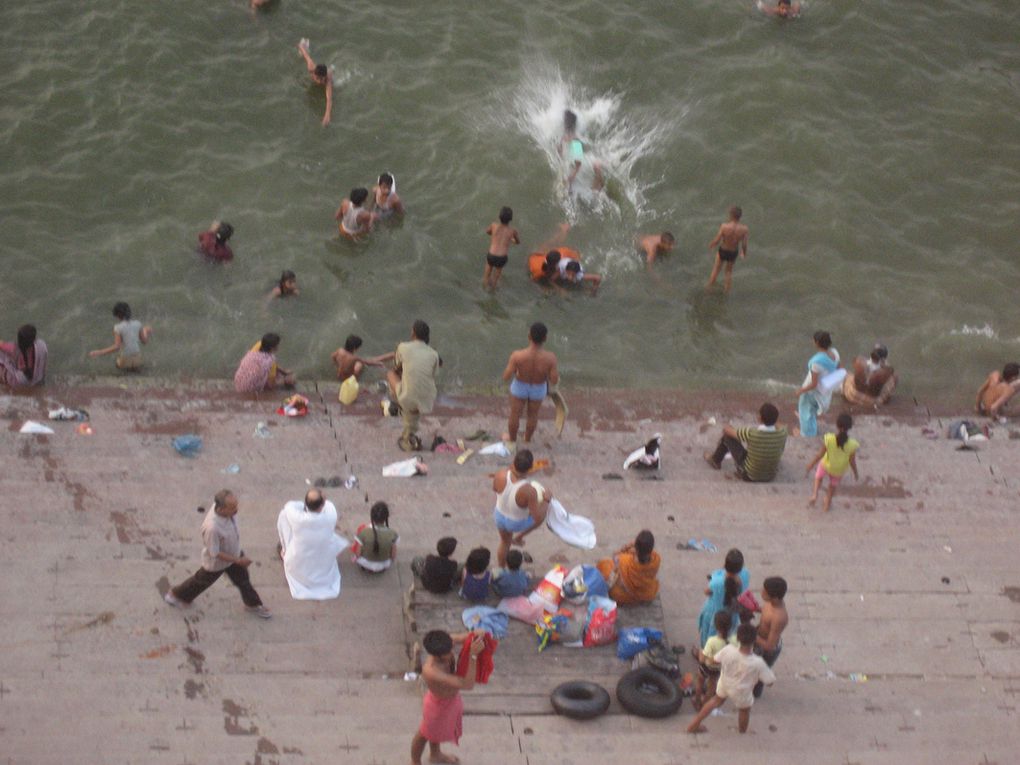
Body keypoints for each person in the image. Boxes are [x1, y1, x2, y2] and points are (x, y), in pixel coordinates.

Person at [163, 490, 271, 618]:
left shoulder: (228, 514)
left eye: (236, 506)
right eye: (232, 508)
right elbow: (214, 552)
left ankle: (253, 604)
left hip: (234, 554)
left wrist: (237, 559)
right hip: (218, 563)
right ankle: (176, 595)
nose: (236, 510)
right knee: (201, 581)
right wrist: (238, 560)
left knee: (243, 581)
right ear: (220, 509)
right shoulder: (212, 528)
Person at [410, 629, 486, 765]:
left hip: (451, 700)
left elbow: (465, 637)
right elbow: (467, 684)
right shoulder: (431, 671)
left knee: (435, 733)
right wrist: (473, 656)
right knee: (423, 735)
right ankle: (414, 762)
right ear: (437, 656)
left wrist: (477, 634)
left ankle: (435, 754)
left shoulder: (446, 643)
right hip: (437, 706)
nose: (452, 653)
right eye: (448, 653)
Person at [686, 623, 775, 734]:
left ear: (737, 638)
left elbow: (715, 660)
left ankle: (693, 725)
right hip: (742, 691)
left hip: (724, 683)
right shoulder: (758, 662)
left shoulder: (728, 649)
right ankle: (742, 732)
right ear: (754, 641)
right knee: (744, 710)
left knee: (715, 701)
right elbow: (770, 682)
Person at [276, 489, 345, 600]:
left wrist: (305, 505)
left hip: (301, 552)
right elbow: (328, 504)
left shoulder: (297, 518)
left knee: (283, 516)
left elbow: (289, 506)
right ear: (322, 505)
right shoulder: (330, 515)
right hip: (323, 550)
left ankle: (284, 549)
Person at [386, 320, 441, 451]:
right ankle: (408, 408)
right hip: (428, 400)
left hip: (408, 397)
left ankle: (408, 440)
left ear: (413, 333)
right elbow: (433, 375)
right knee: (415, 387)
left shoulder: (403, 347)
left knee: (390, 374)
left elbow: (396, 366)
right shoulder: (434, 354)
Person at [491, 449, 552, 567]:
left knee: (504, 542)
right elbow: (537, 516)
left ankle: (500, 568)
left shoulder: (500, 474)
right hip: (516, 523)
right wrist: (546, 500)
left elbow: (495, 489)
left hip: (499, 516)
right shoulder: (529, 490)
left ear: (513, 463)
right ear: (530, 468)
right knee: (541, 516)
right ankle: (519, 537)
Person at [502, 322, 560, 444]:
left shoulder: (517, 355)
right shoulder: (551, 358)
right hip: (538, 388)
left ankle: (512, 440)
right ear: (545, 338)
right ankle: (527, 439)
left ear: (529, 336)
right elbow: (554, 380)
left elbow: (506, 377)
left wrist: (517, 372)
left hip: (520, 386)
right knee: (533, 415)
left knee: (515, 414)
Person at [704, 402, 787, 482]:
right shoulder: (783, 433)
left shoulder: (752, 433)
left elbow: (727, 431)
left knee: (728, 437)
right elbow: (780, 426)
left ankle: (715, 460)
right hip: (770, 476)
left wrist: (728, 426)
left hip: (749, 476)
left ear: (760, 418)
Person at [697, 548, 750, 649]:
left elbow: (707, 592)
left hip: (715, 613)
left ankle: (705, 654)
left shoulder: (716, 581)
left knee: (709, 638)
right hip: (732, 615)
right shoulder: (745, 575)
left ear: (725, 564)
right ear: (741, 566)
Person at [806, 413, 859, 512]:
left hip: (826, 464)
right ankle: (827, 504)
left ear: (837, 425)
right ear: (850, 427)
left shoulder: (829, 438)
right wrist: (856, 473)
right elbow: (852, 461)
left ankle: (815, 494)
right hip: (839, 469)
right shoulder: (852, 444)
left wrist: (810, 465)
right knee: (832, 487)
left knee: (818, 477)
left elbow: (820, 455)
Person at [596, 530, 661, 605]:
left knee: (604, 565)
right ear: (652, 547)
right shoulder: (656, 559)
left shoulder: (625, 560)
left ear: (636, 548)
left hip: (628, 590)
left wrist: (626, 547)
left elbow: (615, 556)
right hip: (646, 592)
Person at [796, 331, 841, 437]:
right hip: (826, 389)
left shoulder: (816, 362)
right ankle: (810, 426)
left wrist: (800, 390)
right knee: (813, 409)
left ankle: (807, 434)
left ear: (816, 343)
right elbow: (839, 369)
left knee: (806, 410)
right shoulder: (835, 353)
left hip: (814, 391)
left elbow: (814, 383)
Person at [88, 302, 153, 370]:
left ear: (117, 315)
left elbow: (117, 347)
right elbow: (144, 341)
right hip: (137, 360)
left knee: (118, 365)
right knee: (136, 367)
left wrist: (100, 352)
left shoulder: (118, 327)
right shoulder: (138, 323)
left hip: (124, 361)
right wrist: (145, 331)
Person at [753, 576, 789, 698]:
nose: (761, 593)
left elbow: (769, 645)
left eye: (764, 592)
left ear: (775, 597)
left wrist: (751, 635)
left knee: (759, 674)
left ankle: (754, 694)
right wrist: (754, 608)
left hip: (766, 650)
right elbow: (764, 611)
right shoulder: (770, 603)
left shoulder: (779, 617)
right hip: (758, 638)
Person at [692, 610, 734, 710]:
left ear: (715, 626)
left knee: (699, 682)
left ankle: (697, 701)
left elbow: (702, 659)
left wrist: (701, 654)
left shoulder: (712, 641)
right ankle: (705, 702)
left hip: (706, 667)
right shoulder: (732, 641)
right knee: (712, 686)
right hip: (718, 669)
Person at [558, 109, 604, 193]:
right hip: (574, 164)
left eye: (565, 121)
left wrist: (570, 178)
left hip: (580, 167)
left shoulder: (574, 139)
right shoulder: (565, 137)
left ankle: (598, 188)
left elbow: (578, 164)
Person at [706, 206, 749, 293]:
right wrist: (743, 253)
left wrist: (711, 245)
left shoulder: (724, 226)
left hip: (723, 250)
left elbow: (717, 240)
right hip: (733, 252)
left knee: (716, 269)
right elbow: (744, 244)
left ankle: (708, 287)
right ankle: (726, 291)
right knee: (728, 272)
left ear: (731, 215)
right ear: (740, 217)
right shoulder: (744, 229)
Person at [352, 501, 399, 572]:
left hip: (366, 564)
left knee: (356, 556)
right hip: (384, 564)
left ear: (372, 517)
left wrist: (356, 557)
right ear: (386, 517)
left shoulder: (363, 532)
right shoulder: (393, 534)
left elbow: (358, 554)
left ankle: (367, 568)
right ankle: (380, 568)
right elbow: (393, 556)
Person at [297, 39, 333, 126]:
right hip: (319, 70)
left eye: (321, 79)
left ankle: (331, 70)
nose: (319, 81)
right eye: (317, 78)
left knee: (330, 73)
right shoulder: (311, 67)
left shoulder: (328, 82)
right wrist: (301, 46)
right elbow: (306, 55)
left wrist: (327, 115)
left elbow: (329, 100)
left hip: (329, 74)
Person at [483, 207, 520, 291]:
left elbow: (488, 232)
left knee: (487, 273)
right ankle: (493, 289)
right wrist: (511, 239)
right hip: (502, 257)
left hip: (491, 255)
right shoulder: (513, 231)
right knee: (496, 276)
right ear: (511, 219)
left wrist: (494, 234)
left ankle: (485, 286)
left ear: (499, 216)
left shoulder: (493, 225)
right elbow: (517, 242)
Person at [0, 324, 47, 388]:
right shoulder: (41, 346)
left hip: (19, 383)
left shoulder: (13, 348)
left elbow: (1, 345)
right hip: (37, 380)